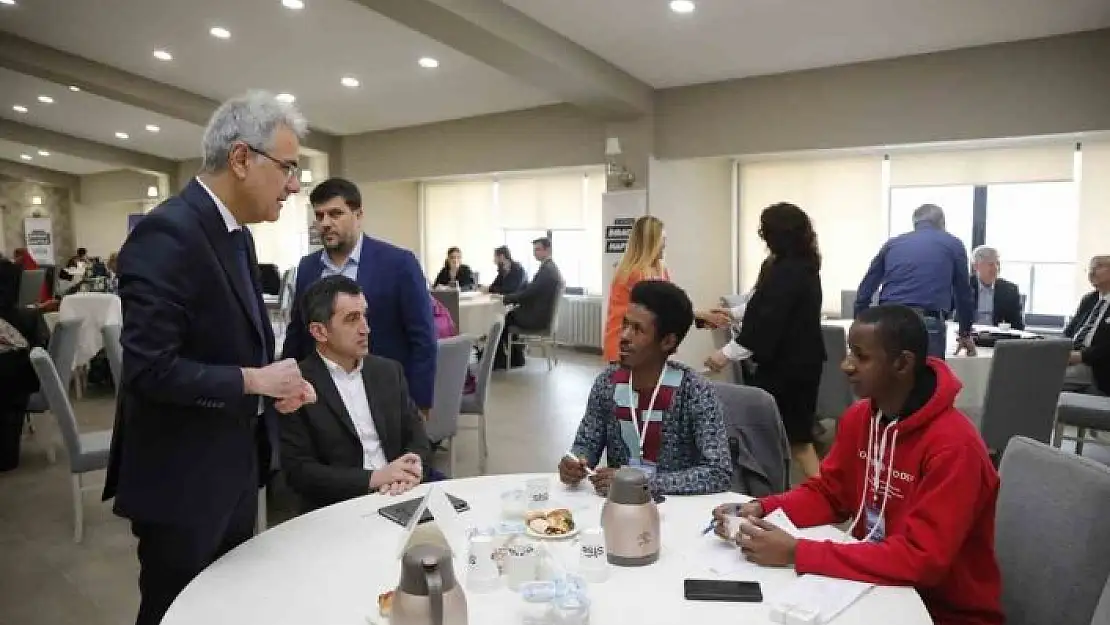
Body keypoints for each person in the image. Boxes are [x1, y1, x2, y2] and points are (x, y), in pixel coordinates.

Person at [102, 91, 317, 625]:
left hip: (233, 466)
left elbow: (234, 344)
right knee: (176, 612)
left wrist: (275, 390)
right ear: (241, 159)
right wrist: (253, 381)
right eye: (288, 168)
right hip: (182, 480)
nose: (294, 185)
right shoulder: (168, 231)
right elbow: (151, 370)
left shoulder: (237, 235)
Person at [713, 305, 1002, 625]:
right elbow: (830, 494)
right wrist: (763, 507)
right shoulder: (861, 418)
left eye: (861, 357)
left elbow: (922, 561)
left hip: (940, 611)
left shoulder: (954, 447)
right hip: (871, 584)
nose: (846, 365)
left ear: (902, 364)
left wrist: (798, 552)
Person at [559, 280, 731, 497]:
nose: (624, 336)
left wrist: (643, 483)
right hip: (620, 511)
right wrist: (574, 463)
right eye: (625, 324)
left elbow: (718, 473)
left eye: (638, 329)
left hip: (680, 513)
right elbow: (585, 446)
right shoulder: (607, 384)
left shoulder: (695, 391)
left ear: (668, 341)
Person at [284, 178, 437, 414]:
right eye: (320, 215)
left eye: (336, 214)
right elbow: (297, 333)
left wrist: (419, 402)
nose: (326, 223)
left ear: (358, 215)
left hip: (383, 395)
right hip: (321, 398)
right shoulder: (308, 268)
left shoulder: (399, 264)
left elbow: (423, 338)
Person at [281, 276, 431, 512]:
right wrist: (376, 477)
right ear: (319, 331)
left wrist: (411, 465)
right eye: (352, 319)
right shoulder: (296, 384)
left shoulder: (388, 371)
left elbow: (418, 436)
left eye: (364, 316)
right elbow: (300, 472)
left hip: (403, 493)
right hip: (340, 507)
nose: (365, 329)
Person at [704, 203, 826, 478]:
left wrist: (725, 354)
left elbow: (769, 321)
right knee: (789, 439)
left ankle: (820, 495)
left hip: (790, 368)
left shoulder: (789, 271)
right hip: (797, 364)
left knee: (794, 440)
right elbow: (764, 302)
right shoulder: (796, 265)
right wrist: (734, 314)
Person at [854, 204, 976, 359]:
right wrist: (965, 332)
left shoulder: (892, 244)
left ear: (915, 224)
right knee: (928, 379)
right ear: (942, 223)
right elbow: (963, 294)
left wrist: (860, 322)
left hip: (888, 321)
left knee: (888, 379)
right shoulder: (953, 244)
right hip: (927, 323)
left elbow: (865, 289)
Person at [604, 215, 670, 363]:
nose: (665, 244)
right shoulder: (634, 273)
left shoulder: (660, 270)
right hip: (626, 344)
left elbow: (672, 302)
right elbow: (662, 308)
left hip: (645, 344)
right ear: (650, 242)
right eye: (662, 239)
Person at [498, 237, 564, 369]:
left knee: (504, 318)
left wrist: (507, 298)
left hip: (538, 318)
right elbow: (533, 289)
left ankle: (505, 358)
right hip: (543, 315)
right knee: (511, 314)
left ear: (548, 250)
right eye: (534, 250)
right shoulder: (549, 267)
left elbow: (529, 293)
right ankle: (516, 356)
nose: (535, 253)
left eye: (538, 249)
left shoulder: (547, 270)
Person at [1063, 255, 1110, 395]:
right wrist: (1060, 349)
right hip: (1070, 356)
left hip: (1095, 366)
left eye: (1098, 266)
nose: (1091, 272)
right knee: (1030, 368)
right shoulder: (1089, 299)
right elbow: (1069, 331)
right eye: (1090, 268)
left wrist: (1081, 356)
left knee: (1043, 379)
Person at [966, 245, 1024, 329]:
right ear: (976, 266)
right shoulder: (963, 286)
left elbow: (1018, 326)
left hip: (997, 338)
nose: (996, 268)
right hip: (969, 337)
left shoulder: (1010, 290)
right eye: (991, 264)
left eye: (997, 263)